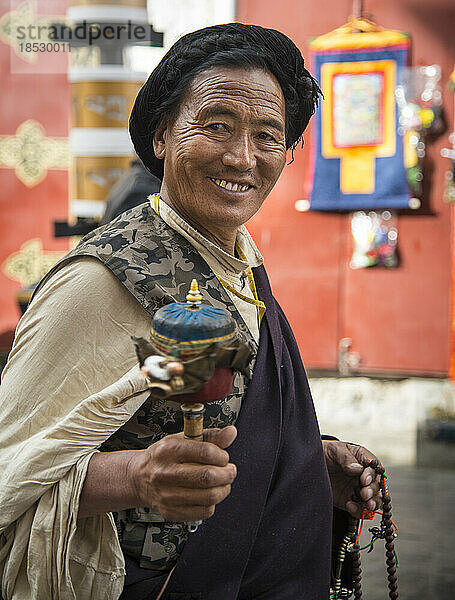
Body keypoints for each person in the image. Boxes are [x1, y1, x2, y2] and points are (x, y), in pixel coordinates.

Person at [0, 23, 382, 600]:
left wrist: (299, 465)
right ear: (162, 136)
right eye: (216, 127)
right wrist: (136, 477)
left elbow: (188, 407)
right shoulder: (108, 282)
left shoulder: (236, 267)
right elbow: (12, 470)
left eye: (267, 136)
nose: (241, 158)